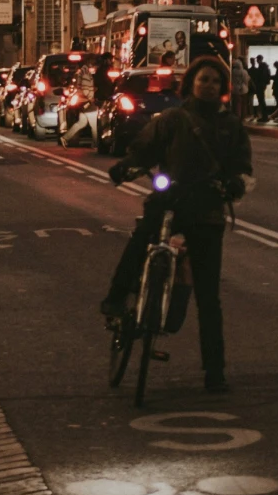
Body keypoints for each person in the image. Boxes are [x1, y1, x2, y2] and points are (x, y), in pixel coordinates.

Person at [101, 55, 253, 394]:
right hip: (169, 203)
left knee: (209, 297)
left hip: (207, 213)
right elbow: (144, 150)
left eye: (215, 81)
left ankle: (215, 371)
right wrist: (126, 167)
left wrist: (235, 184)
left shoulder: (230, 126)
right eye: (204, 80)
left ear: (223, 88)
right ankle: (115, 299)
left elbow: (243, 167)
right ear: (191, 85)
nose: (209, 85)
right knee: (141, 239)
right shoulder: (172, 119)